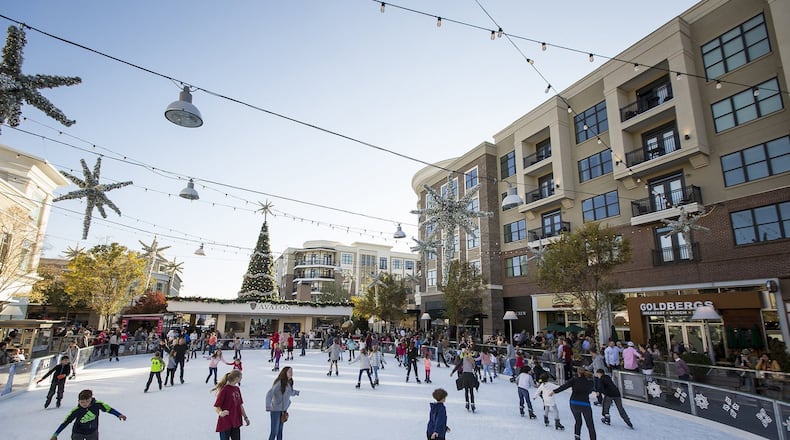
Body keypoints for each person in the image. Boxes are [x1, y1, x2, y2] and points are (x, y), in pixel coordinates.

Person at [50, 389, 126, 440]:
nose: (85, 404)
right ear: (78, 401)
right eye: (82, 402)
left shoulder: (97, 404)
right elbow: (65, 422)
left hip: (92, 432)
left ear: (91, 399)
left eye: (87, 401)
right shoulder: (76, 410)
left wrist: (119, 415)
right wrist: (55, 434)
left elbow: (109, 409)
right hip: (78, 433)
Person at [550, 367, 596, 440]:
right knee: (590, 424)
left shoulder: (574, 380)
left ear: (578, 373)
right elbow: (590, 391)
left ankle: (577, 437)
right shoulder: (590, 382)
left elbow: (564, 386)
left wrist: (554, 391)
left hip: (574, 403)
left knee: (578, 421)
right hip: (585, 404)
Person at [265, 366, 300, 440]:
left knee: (280, 432)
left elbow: (290, 392)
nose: (291, 373)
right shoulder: (279, 383)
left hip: (283, 410)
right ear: (285, 373)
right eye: (289, 372)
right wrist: (268, 406)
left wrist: (296, 392)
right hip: (275, 410)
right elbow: (270, 393)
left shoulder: (289, 382)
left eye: (292, 372)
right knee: (274, 432)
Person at [213, 370, 249, 440]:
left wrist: (245, 417)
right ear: (237, 378)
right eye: (241, 377)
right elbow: (217, 406)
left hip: (236, 422)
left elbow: (240, 405)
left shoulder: (237, 389)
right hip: (225, 423)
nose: (241, 378)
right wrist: (221, 413)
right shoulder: (224, 390)